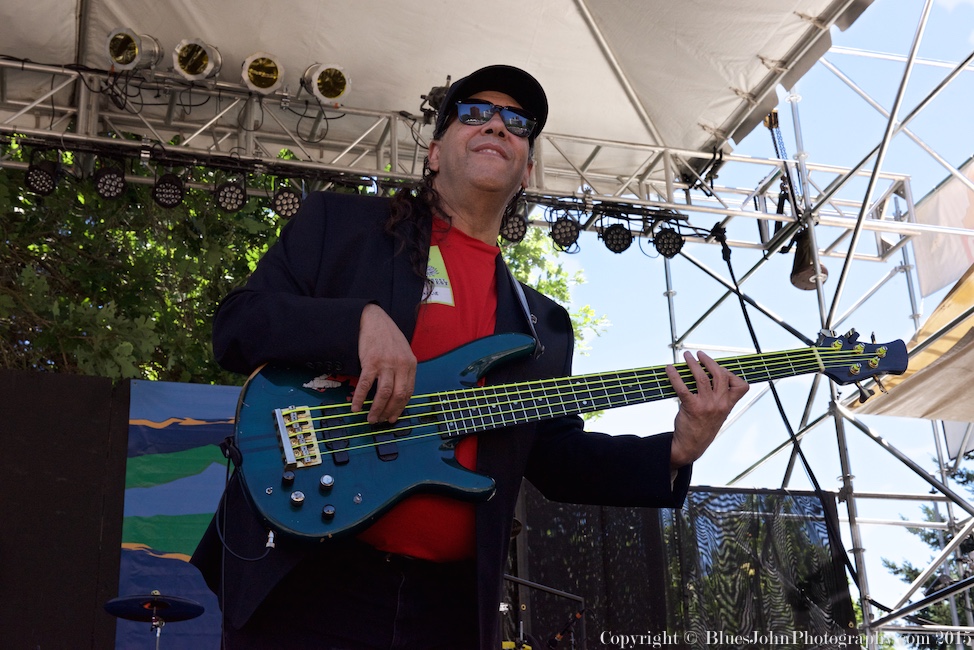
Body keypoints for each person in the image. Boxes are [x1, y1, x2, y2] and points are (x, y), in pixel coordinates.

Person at [191, 64, 749, 650]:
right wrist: (356, 321)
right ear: (434, 152)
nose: (497, 125)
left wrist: (678, 449)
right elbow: (238, 326)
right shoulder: (340, 225)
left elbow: (553, 459)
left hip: (449, 606)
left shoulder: (542, 324)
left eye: (517, 122)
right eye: (475, 113)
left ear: (528, 167)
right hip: (309, 573)